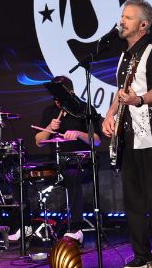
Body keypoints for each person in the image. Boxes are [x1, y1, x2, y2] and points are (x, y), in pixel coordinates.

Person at [102, 0, 152, 268]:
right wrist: (110, 114)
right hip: (128, 137)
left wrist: (139, 100)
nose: (122, 21)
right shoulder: (124, 56)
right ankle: (141, 255)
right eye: (122, 16)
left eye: (129, 17)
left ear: (143, 24)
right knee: (133, 199)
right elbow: (120, 92)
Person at [9, 76, 101, 243]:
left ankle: (76, 228)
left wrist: (79, 134)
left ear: (71, 93)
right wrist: (50, 129)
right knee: (18, 176)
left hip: (80, 163)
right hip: (56, 163)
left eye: (60, 98)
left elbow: (96, 140)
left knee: (72, 174)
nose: (57, 102)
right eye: (55, 99)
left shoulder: (84, 109)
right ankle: (25, 225)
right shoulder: (50, 111)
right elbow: (39, 141)